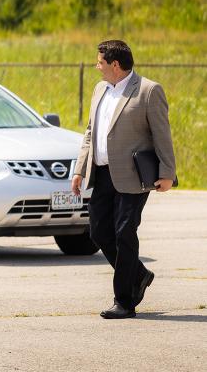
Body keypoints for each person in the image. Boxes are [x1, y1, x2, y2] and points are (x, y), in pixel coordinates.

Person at [72, 40, 176, 319]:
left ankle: (124, 300)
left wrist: (167, 173)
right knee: (98, 232)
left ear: (115, 65)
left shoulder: (148, 91)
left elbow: (162, 134)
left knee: (124, 232)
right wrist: (80, 169)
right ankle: (139, 274)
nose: (97, 67)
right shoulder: (99, 89)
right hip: (102, 172)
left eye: (100, 62)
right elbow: (90, 131)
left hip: (134, 176)